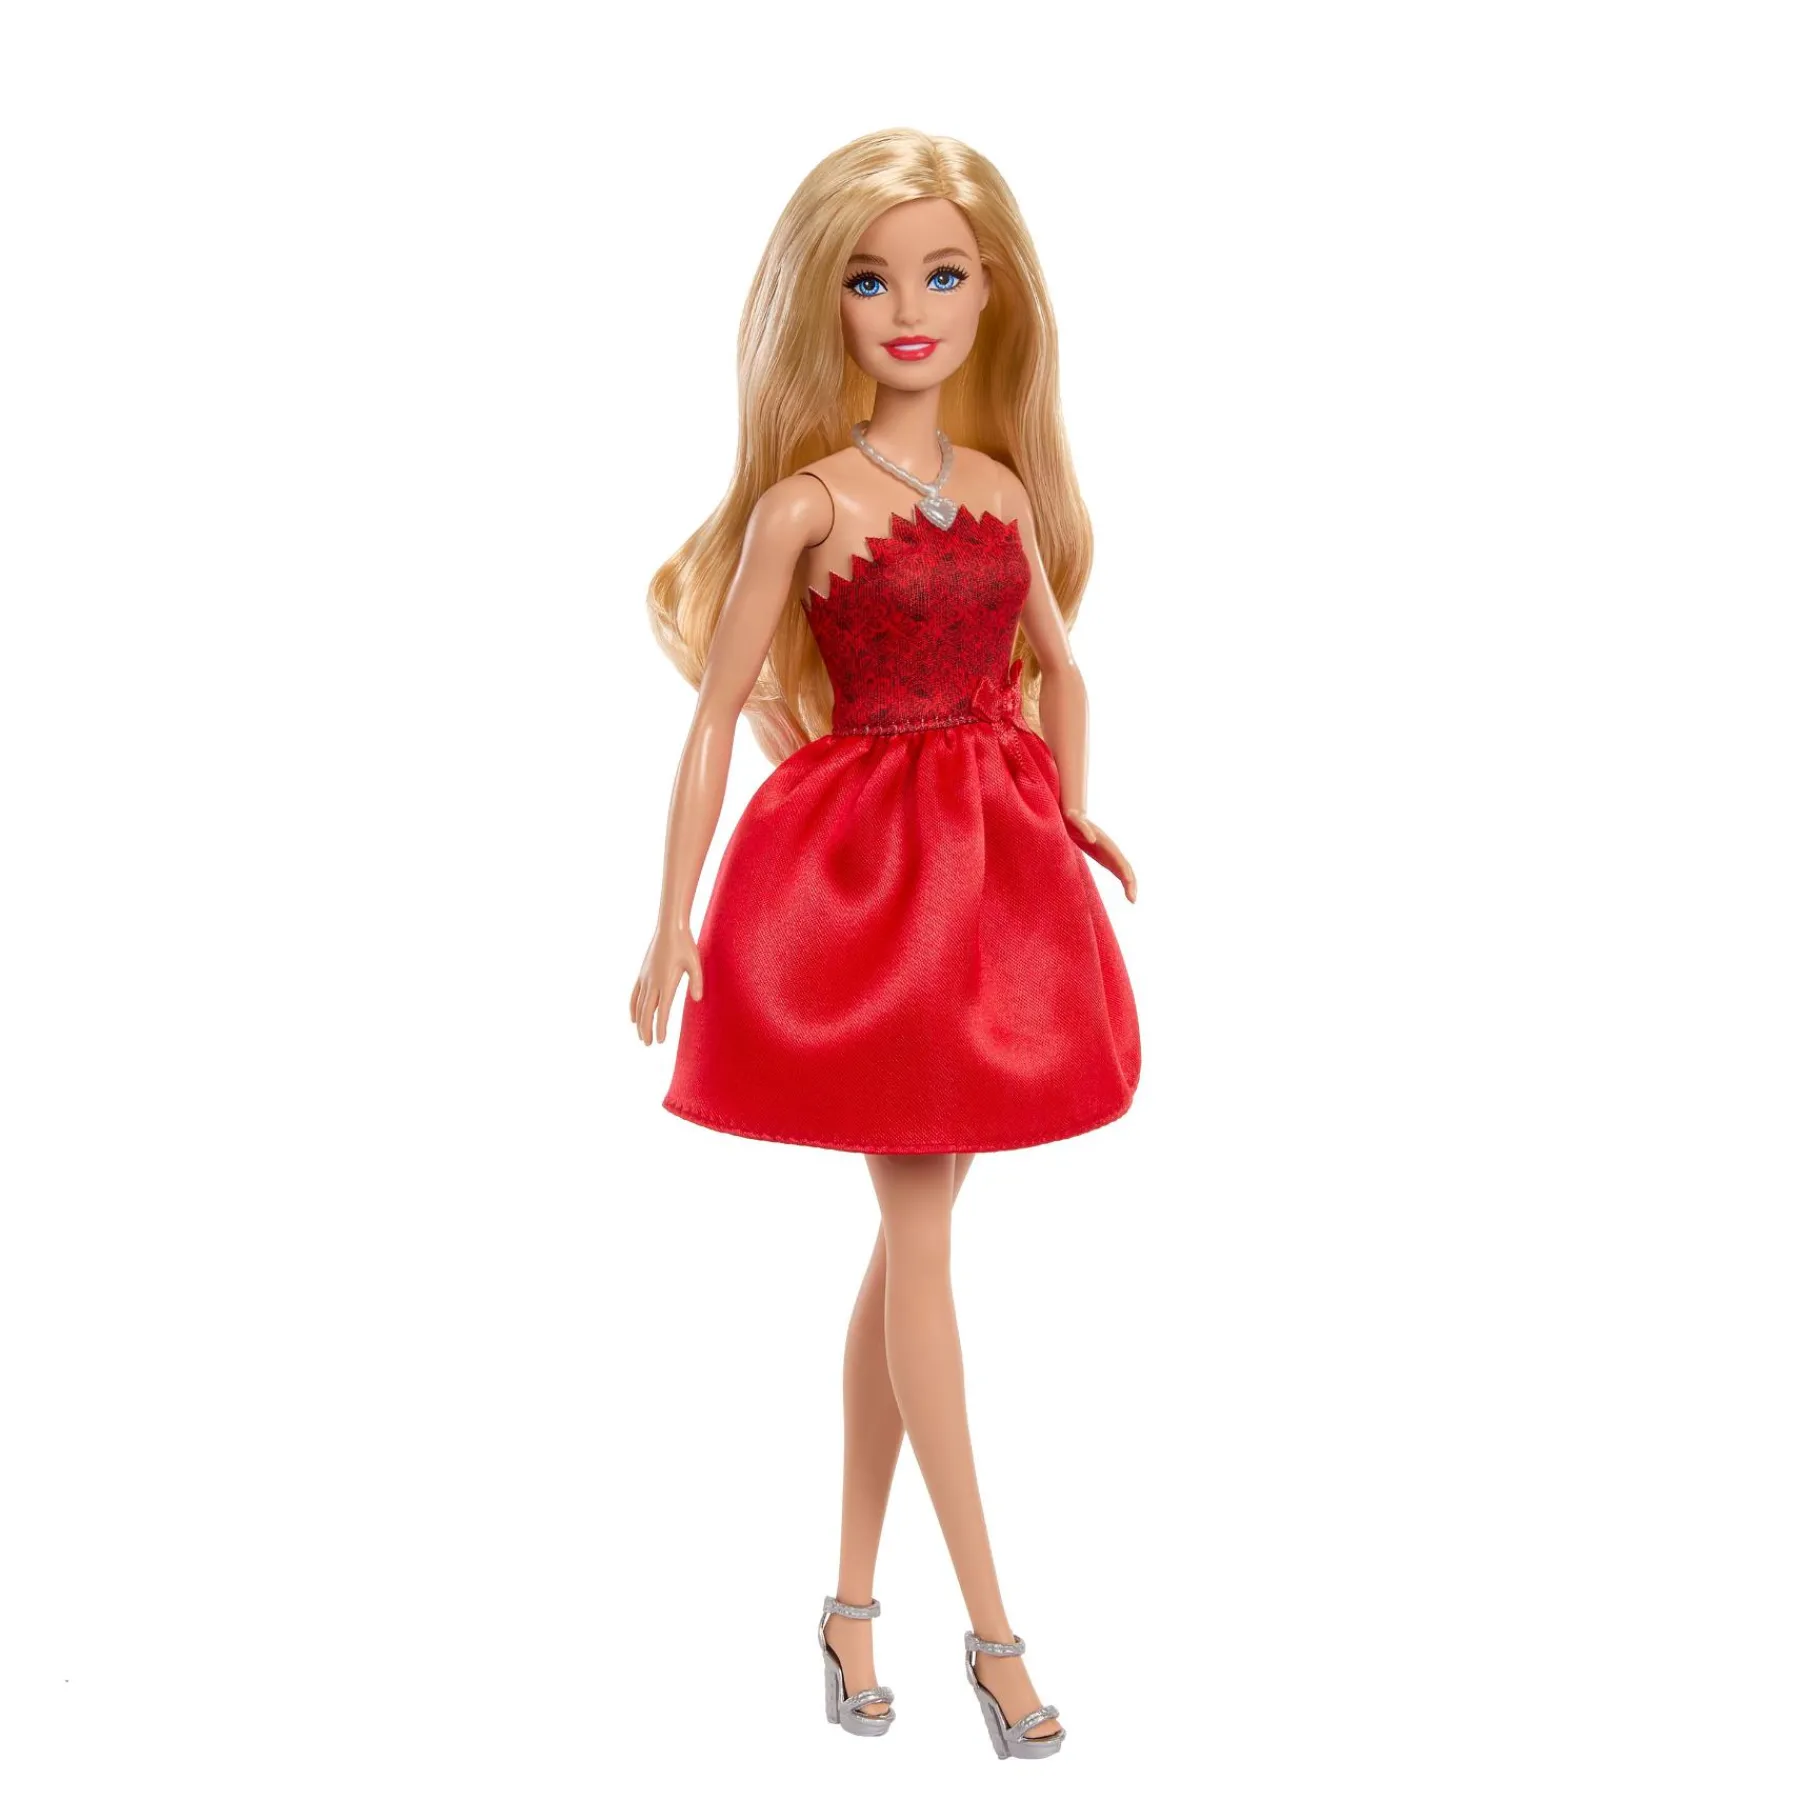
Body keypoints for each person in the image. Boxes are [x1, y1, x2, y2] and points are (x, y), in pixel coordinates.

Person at [630, 128, 1141, 1760]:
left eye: (941, 274)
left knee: (907, 1246)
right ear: (824, 304)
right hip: (873, 899)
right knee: (922, 1248)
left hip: (996, 883)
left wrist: (1073, 811)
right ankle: (995, 1632)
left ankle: (850, 1610)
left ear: (993, 297)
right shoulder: (806, 505)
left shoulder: (996, 488)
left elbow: (1064, 665)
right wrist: (670, 919)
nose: (909, 309)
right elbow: (715, 713)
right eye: (869, 279)